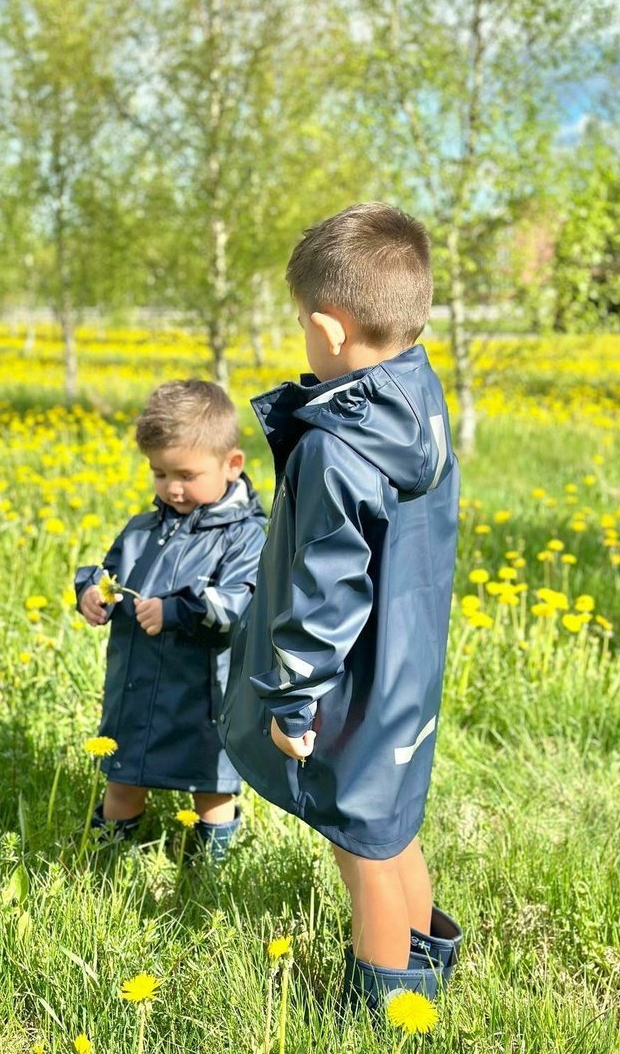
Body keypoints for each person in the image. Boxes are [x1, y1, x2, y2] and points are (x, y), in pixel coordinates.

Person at [221, 203, 463, 1007]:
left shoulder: (337, 447)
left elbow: (323, 592)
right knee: (392, 823)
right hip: (408, 661)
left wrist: (292, 700)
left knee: (359, 844)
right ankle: (429, 958)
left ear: (328, 330)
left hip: (354, 681)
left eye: (300, 324)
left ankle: (384, 1000)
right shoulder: (417, 397)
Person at [75, 379, 265, 857]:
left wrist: (176, 610)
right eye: (159, 474)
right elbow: (109, 573)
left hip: (204, 696)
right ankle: (104, 863)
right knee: (122, 780)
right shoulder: (143, 529)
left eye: (186, 474)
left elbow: (241, 601)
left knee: (211, 788)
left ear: (232, 464)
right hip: (136, 688)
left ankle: (208, 873)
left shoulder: (246, 536)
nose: (172, 488)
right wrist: (91, 593)